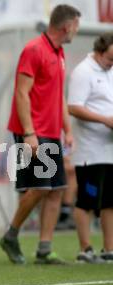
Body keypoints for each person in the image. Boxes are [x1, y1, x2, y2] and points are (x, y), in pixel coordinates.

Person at [0, 4, 80, 265]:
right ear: (67, 26)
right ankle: (11, 235)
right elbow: (21, 93)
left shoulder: (60, 53)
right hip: (32, 131)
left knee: (56, 189)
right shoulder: (34, 50)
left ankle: (44, 249)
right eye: (76, 26)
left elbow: (58, 97)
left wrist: (67, 129)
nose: (76, 31)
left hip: (52, 132)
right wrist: (29, 133)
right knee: (39, 187)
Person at [68, 32, 113, 263]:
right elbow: (74, 108)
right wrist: (105, 120)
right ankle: (85, 249)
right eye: (110, 58)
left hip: (110, 150)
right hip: (90, 152)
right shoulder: (83, 72)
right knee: (87, 200)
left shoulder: (110, 71)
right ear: (100, 50)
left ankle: (109, 250)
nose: (112, 63)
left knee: (109, 202)